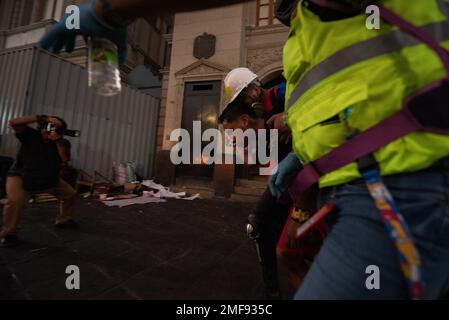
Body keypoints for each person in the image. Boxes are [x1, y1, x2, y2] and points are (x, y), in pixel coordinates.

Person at [268, 0, 449, 299]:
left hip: (402, 178)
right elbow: (340, 95)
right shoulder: (308, 28)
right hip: (359, 182)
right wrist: (301, 156)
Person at [0, 115, 79, 247]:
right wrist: (40, 117)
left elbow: (64, 159)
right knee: (15, 201)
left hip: (48, 178)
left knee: (70, 194)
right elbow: (13, 122)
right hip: (21, 176)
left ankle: (64, 220)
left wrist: (58, 141)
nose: (52, 130)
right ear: (42, 127)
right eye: (51, 126)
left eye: (58, 128)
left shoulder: (62, 142)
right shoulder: (30, 135)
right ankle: (9, 233)